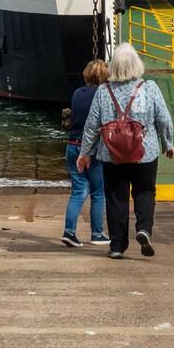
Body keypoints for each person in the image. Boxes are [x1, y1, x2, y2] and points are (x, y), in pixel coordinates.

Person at [76, 43, 174, 259]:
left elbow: (92, 125)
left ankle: (118, 246)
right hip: (145, 153)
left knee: (115, 197)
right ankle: (143, 229)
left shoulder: (103, 91)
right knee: (145, 191)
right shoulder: (150, 88)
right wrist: (168, 144)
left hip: (112, 154)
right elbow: (164, 120)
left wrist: (85, 153)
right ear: (136, 64)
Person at [61, 59, 110, 248]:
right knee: (98, 193)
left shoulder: (77, 93)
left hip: (72, 146)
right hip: (92, 149)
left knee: (78, 191)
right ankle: (97, 233)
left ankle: (69, 232)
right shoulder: (103, 94)